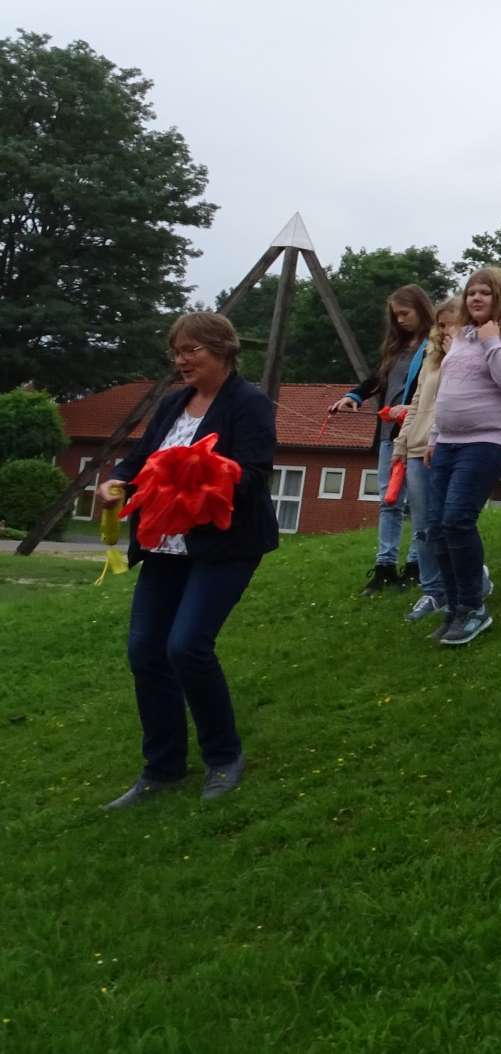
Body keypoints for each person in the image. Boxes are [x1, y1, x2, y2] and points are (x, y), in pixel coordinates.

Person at [97, 312, 278, 809]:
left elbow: (255, 472)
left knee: (187, 647)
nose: (180, 360)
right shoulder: (174, 403)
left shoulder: (249, 403)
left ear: (222, 350)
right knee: (145, 651)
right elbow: (140, 460)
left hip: (225, 544)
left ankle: (224, 757)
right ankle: (163, 769)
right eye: (176, 351)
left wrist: (195, 477)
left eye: (191, 350)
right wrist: (116, 479)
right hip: (164, 546)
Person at [430, 267, 501, 645]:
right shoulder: (460, 336)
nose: (475, 298)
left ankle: (474, 608)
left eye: (485, 293)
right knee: (437, 528)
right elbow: (448, 389)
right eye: (471, 292)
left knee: (458, 520)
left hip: (488, 440)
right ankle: (455, 606)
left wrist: (493, 343)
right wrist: (434, 435)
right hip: (446, 441)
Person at [328, 285, 434, 596]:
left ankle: (415, 565)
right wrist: (353, 397)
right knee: (388, 501)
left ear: (421, 309)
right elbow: (377, 379)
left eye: (405, 313)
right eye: (395, 315)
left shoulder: (435, 346)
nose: (400, 320)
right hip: (389, 434)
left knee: (417, 503)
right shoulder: (396, 348)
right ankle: (384, 565)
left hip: (416, 432)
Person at [392, 298, 461, 627]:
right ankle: (432, 590)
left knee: (446, 523)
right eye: (441, 324)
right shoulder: (431, 359)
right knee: (421, 528)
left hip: (446, 446)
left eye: (452, 324)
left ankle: (466, 581)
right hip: (417, 446)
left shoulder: (466, 359)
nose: (445, 331)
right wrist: (401, 442)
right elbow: (416, 402)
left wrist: (457, 354)